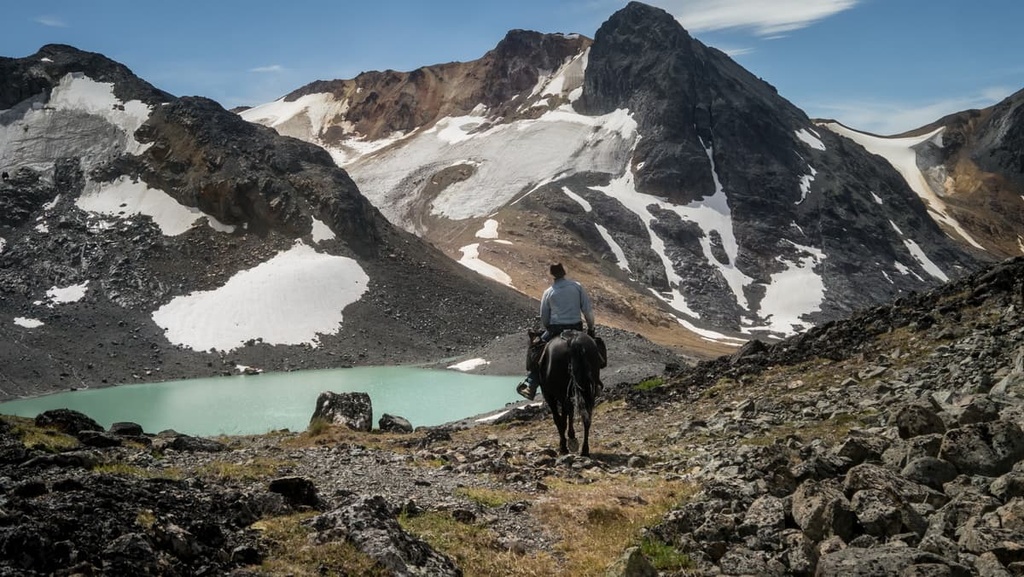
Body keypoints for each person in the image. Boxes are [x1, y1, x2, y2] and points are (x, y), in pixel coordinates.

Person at [517, 262, 595, 400]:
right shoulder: (577, 287)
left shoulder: (549, 292)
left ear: (552, 275)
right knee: (595, 349)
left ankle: (531, 384)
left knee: (536, 351)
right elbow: (587, 310)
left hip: (555, 329)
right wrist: (591, 328)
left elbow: (544, 317)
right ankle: (596, 381)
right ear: (564, 272)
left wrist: (548, 327)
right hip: (577, 327)